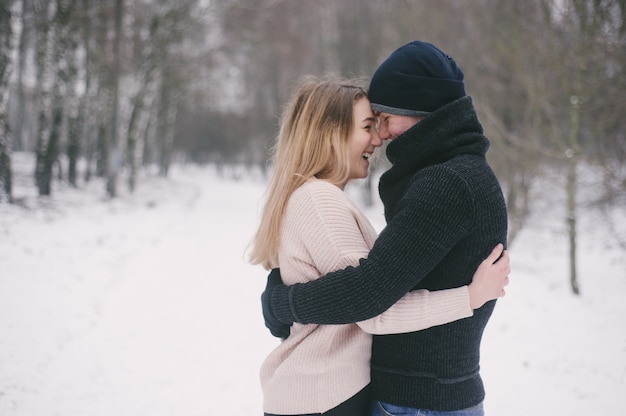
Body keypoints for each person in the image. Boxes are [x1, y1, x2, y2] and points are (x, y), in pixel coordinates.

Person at [261, 41, 509, 416]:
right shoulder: (321, 198)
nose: (380, 136)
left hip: (419, 400)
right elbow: (372, 296)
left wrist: (283, 303)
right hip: (371, 397)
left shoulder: (447, 182)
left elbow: (368, 295)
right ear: (332, 134)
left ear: (415, 110)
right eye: (369, 124)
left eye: (382, 118)